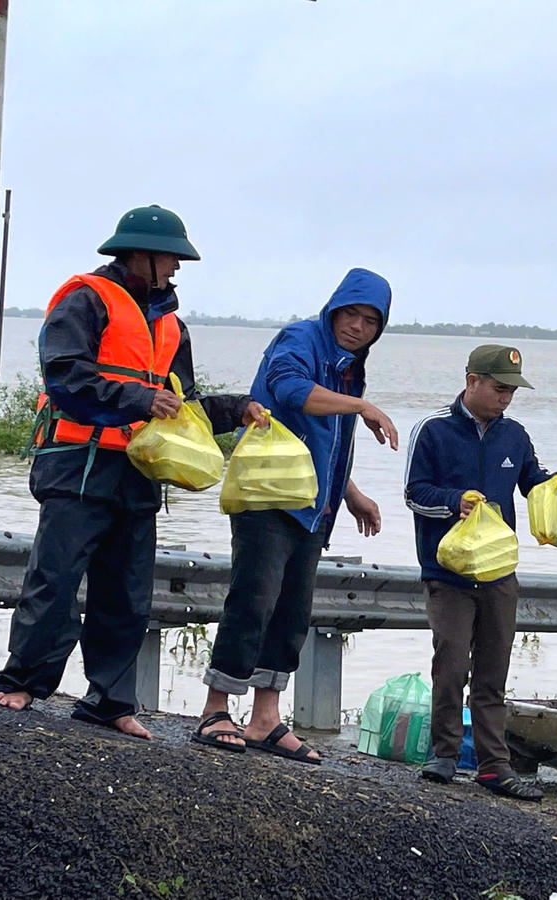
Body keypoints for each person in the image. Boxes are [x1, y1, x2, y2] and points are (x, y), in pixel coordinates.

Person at [0, 205, 264, 739]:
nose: (177, 269)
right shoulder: (85, 298)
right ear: (139, 254)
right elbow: (65, 377)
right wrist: (137, 397)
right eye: (171, 259)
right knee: (56, 580)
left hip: (137, 474)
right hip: (78, 465)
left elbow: (185, 404)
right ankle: (19, 681)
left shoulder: (172, 327)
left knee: (127, 593)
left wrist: (237, 409)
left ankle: (108, 701)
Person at [193, 268, 397, 763]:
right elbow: (287, 391)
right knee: (253, 598)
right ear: (334, 309)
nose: (358, 326)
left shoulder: (349, 364)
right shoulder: (301, 339)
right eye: (351, 314)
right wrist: (362, 406)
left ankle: (265, 719)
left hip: (313, 506)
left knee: (291, 613)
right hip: (266, 494)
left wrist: (350, 492)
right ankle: (214, 709)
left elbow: (322, 441)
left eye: (371, 320)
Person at [405, 345, 557, 800]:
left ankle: (493, 766)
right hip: (448, 573)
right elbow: (413, 493)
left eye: (512, 390)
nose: (506, 398)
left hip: (500, 573)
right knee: (451, 663)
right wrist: (453, 501)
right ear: (472, 380)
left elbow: (532, 483)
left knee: (492, 672)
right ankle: (443, 755)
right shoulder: (433, 429)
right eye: (499, 388)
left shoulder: (514, 436)